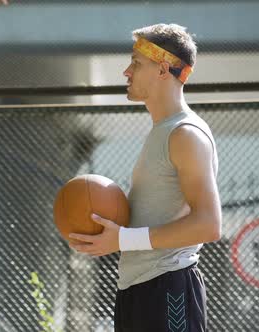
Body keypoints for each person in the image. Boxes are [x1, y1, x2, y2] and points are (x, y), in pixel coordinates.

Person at [68, 24, 221, 332]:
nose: (127, 71)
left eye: (136, 63)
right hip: (138, 289)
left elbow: (209, 224)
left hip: (168, 288)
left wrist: (123, 238)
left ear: (163, 69)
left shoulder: (185, 134)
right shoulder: (162, 132)